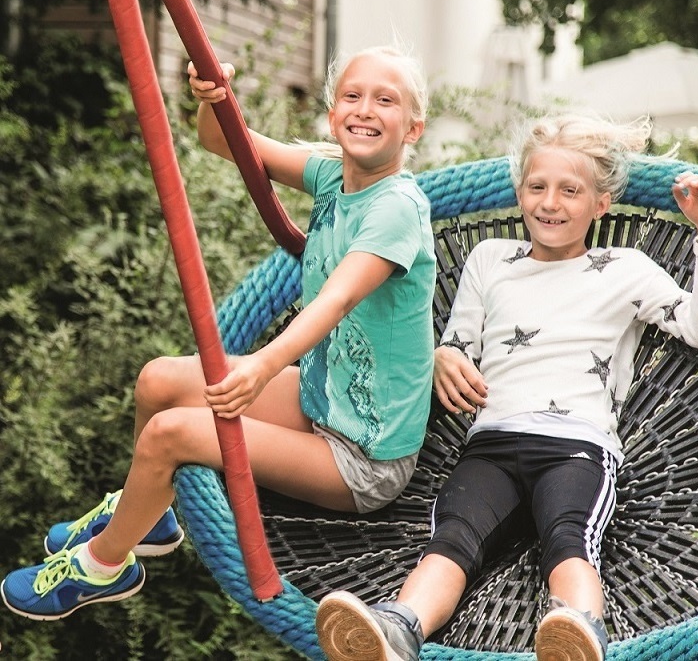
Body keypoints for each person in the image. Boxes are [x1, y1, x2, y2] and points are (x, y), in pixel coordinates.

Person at [1, 45, 437, 620]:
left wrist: (258, 367)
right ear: (332, 114)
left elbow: (338, 299)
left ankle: (103, 566)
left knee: (171, 434)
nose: (365, 110)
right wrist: (214, 101)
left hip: (362, 456)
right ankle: (149, 515)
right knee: (158, 380)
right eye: (352, 97)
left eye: (386, 101)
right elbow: (223, 142)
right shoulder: (333, 176)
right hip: (319, 401)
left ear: (413, 128)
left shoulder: (397, 207)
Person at [315, 113, 698, 661]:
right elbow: (459, 344)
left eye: (570, 190)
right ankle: (398, 628)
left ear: (601, 203)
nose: (550, 203)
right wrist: (444, 356)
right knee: (453, 538)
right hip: (492, 440)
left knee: (568, 537)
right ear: (519, 192)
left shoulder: (624, 268)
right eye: (537, 187)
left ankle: (577, 632)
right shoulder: (491, 262)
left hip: (577, 446)